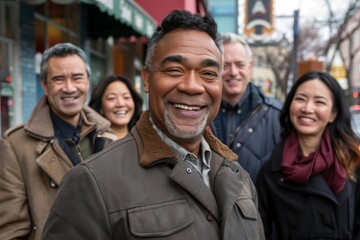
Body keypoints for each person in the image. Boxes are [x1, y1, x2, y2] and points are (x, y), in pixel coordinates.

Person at [42, 10, 265, 240]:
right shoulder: (92, 182)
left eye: (208, 73)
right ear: (147, 79)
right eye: (174, 70)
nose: (192, 86)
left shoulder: (238, 176)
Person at [0, 42, 116, 240]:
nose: (69, 88)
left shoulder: (107, 135)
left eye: (77, 78)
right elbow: (11, 230)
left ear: (87, 81)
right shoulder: (16, 145)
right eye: (58, 79)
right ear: (45, 85)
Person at [256, 71, 360, 239]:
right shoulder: (271, 172)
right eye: (300, 99)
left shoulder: (352, 161)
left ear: (333, 114)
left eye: (319, 102)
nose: (307, 108)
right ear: (290, 106)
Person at [210, 32, 282, 182]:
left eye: (240, 64)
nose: (233, 72)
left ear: (250, 67)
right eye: (225, 65)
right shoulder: (198, 112)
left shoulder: (277, 116)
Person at [89, 75, 143, 139]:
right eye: (112, 98)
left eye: (126, 97)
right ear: (100, 107)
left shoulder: (146, 139)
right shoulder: (91, 144)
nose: (121, 104)